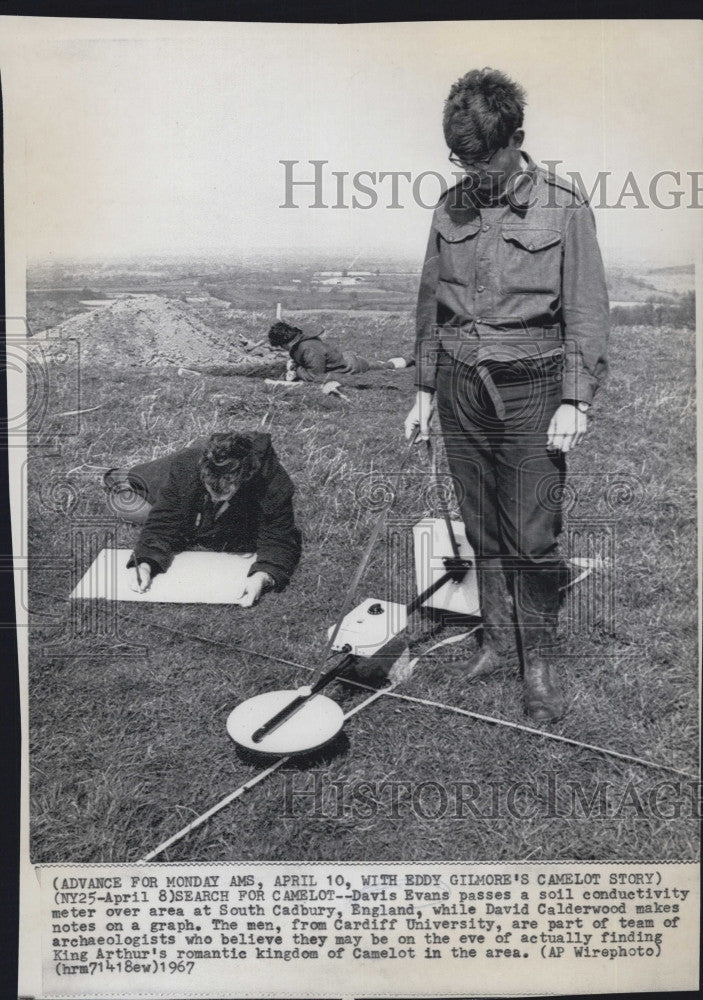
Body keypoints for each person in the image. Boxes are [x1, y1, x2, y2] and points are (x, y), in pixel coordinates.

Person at [404, 68, 609, 723]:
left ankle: (538, 668)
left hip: (532, 388)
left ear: (516, 139)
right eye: (460, 159)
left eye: (482, 158)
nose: (472, 172)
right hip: (462, 385)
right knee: (480, 525)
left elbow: (585, 306)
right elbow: (431, 302)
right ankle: (495, 642)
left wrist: (575, 399)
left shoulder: (563, 204)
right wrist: (423, 389)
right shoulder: (450, 204)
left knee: (530, 535)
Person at [104, 432, 301, 606]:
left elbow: (279, 536)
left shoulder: (273, 482)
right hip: (165, 475)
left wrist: (263, 576)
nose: (216, 496)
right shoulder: (188, 466)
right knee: (124, 503)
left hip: (204, 490)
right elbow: (164, 519)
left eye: (224, 492)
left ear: (247, 477)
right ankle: (119, 477)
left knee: (221, 528)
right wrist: (145, 563)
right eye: (212, 491)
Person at [267, 320, 412, 390]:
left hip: (351, 366)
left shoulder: (308, 348)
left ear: (285, 342)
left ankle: (413, 359)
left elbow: (315, 376)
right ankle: (409, 360)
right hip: (346, 360)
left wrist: (297, 370)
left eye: (281, 345)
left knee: (386, 366)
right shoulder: (302, 343)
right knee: (382, 364)